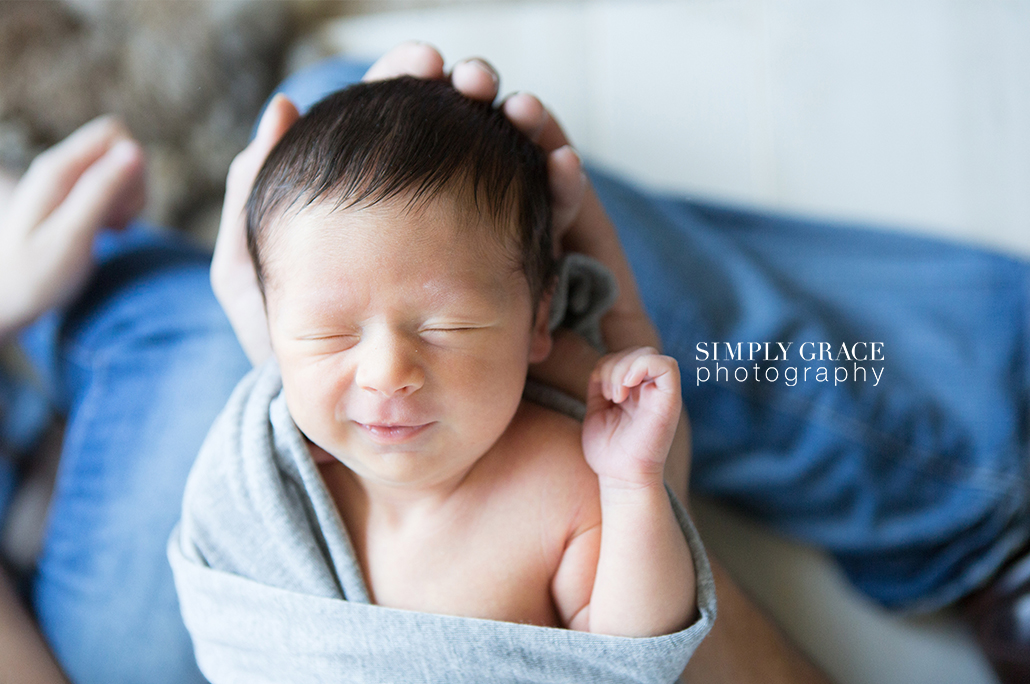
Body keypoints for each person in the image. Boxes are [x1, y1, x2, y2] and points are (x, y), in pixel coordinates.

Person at [31, 39, 1027, 683]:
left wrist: (635, 490)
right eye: (332, 337)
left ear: (541, 319)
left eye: (449, 328)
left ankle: (79, 260)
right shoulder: (268, 476)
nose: (385, 374)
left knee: (371, 148)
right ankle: (972, 475)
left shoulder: (560, 480)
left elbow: (635, 638)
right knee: (353, 150)